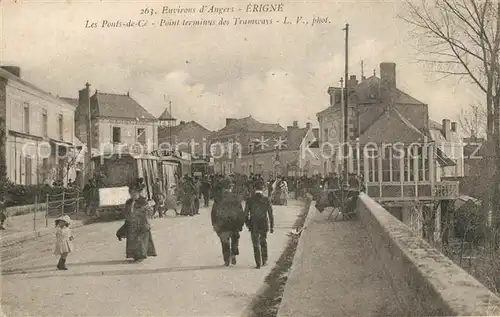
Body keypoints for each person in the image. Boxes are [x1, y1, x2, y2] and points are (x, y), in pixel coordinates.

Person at [116, 181, 157, 262]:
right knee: (133, 241)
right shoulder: (129, 202)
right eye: (131, 193)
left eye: (134, 193)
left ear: (138, 193)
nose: (133, 195)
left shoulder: (143, 202)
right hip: (131, 225)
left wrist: (144, 215)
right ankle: (135, 256)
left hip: (142, 224)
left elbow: (149, 213)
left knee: (140, 241)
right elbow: (127, 213)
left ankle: (140, 256)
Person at [211, 179, 245, 266]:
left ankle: (226, 260)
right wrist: (241, 224)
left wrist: (214, 223)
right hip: (234, 223)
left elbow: (214, 212)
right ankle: (233, 254)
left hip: (223, 224)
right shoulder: (236, 197)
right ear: (231, 187)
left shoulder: (218, 198)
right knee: (234, 240)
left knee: (224, 242)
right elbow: (241, 212)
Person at [245, 181, 274, 269]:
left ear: (254, 188)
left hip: (254, 224)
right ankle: (264, 260)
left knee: (255, 243)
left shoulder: (250, 199)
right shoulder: (266, 199)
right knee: (263, 241)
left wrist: (248, 224)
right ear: (263, 188)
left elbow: (245, 214)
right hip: (263, 223)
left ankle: (258, 263)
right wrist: (272, 225)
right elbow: (270, 214)